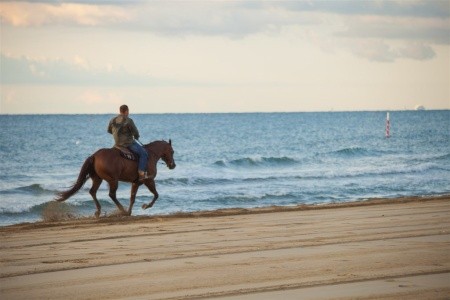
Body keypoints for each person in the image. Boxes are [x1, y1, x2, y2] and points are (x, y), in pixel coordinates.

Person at [108, 104, 149, 181]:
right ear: (126, 111)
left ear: (120, 111)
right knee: (144, 153)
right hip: (128, 144)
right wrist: (136, 136)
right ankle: (141, 173)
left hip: (117, 144)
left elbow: (109, 130)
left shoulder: (112, 120)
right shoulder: (128, 120)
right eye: (128, 111)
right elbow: (135, 132)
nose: (128, 113)